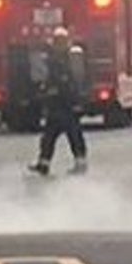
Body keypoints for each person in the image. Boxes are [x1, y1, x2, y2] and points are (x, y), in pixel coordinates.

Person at [28, 27, 88, 176]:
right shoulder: (54, 58)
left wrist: (74, 99)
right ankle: (44, 163)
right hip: (56, 104)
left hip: (67, 103)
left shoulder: (68, 59)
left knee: (73, 134)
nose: (58, 44)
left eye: (60, 41)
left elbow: (72, 80)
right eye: (56, 41)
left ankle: (80, 162)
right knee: (49, 136)